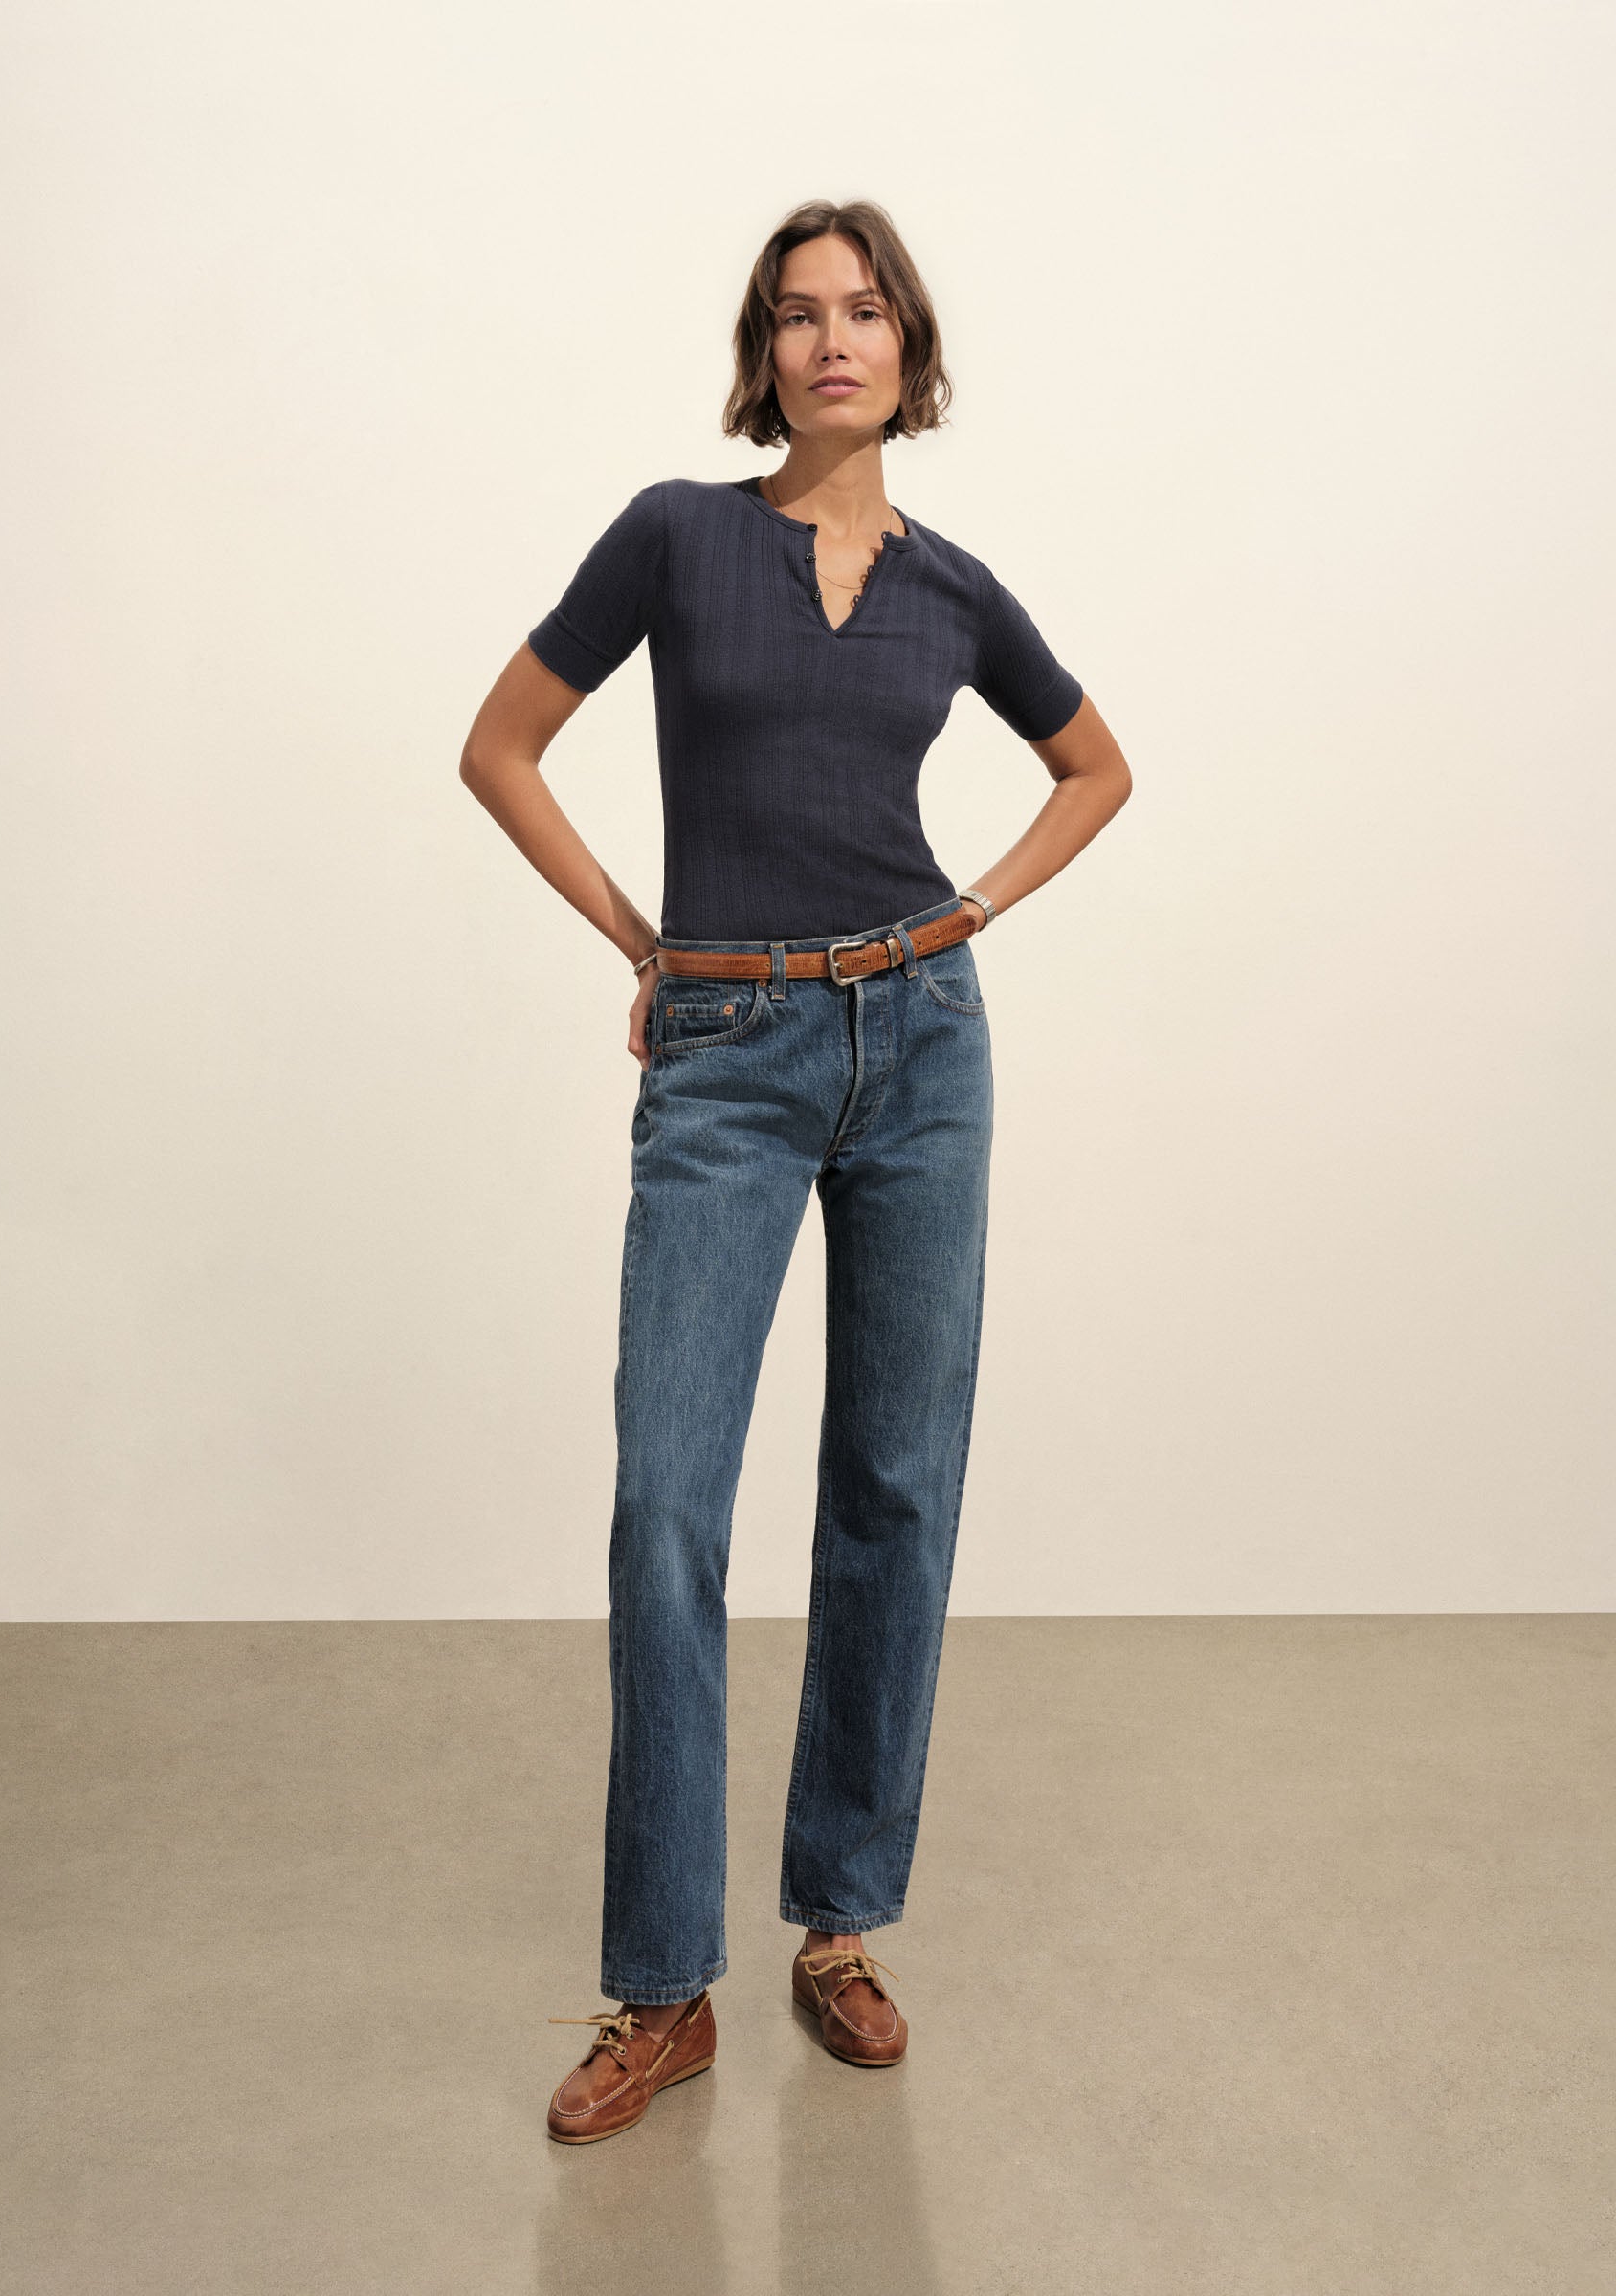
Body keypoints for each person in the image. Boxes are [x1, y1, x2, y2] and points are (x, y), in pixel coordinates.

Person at [460, 197, 1133, 2144]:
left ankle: (839, 1927)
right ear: (762, 358)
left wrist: (967, 915)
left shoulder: (957, 590)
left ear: (911, 353)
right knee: (668, 1504)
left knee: (894, 1487)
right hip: (730, 1050)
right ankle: (661, 1990)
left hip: (923, 1047)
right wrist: (648, 945)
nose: (831, 339)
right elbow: (502, 747)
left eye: (863, 310)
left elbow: (1098, 768)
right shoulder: (676, 534)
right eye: (794, 314)